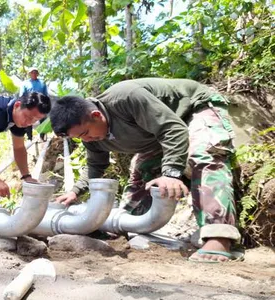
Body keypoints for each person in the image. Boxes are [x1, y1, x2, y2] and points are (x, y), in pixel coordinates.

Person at [49, 78, 240, 263]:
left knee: (203, 155)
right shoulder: (92, 136)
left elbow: (174, 130)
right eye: (80, 138)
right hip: (159, 133)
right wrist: (75, 192)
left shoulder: (126, 98)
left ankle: (218, 237)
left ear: (96, 116)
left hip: (194, 109)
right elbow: (96, 166)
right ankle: (127, 223)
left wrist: (171, 173)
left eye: (85, 134)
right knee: (141, 169)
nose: (87, 140)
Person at [19, 67, 49, 140]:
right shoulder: (25, 84)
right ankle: (30, 138)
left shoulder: (42, 83)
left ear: (37, 74)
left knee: (43, 120)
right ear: (30, 74)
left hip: (40, 104)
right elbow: (22, 95)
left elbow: (46, 95)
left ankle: (42, 136)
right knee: (28, 121)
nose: (34, 74)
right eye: (32, 72)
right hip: (29, 105)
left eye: (35, 72)